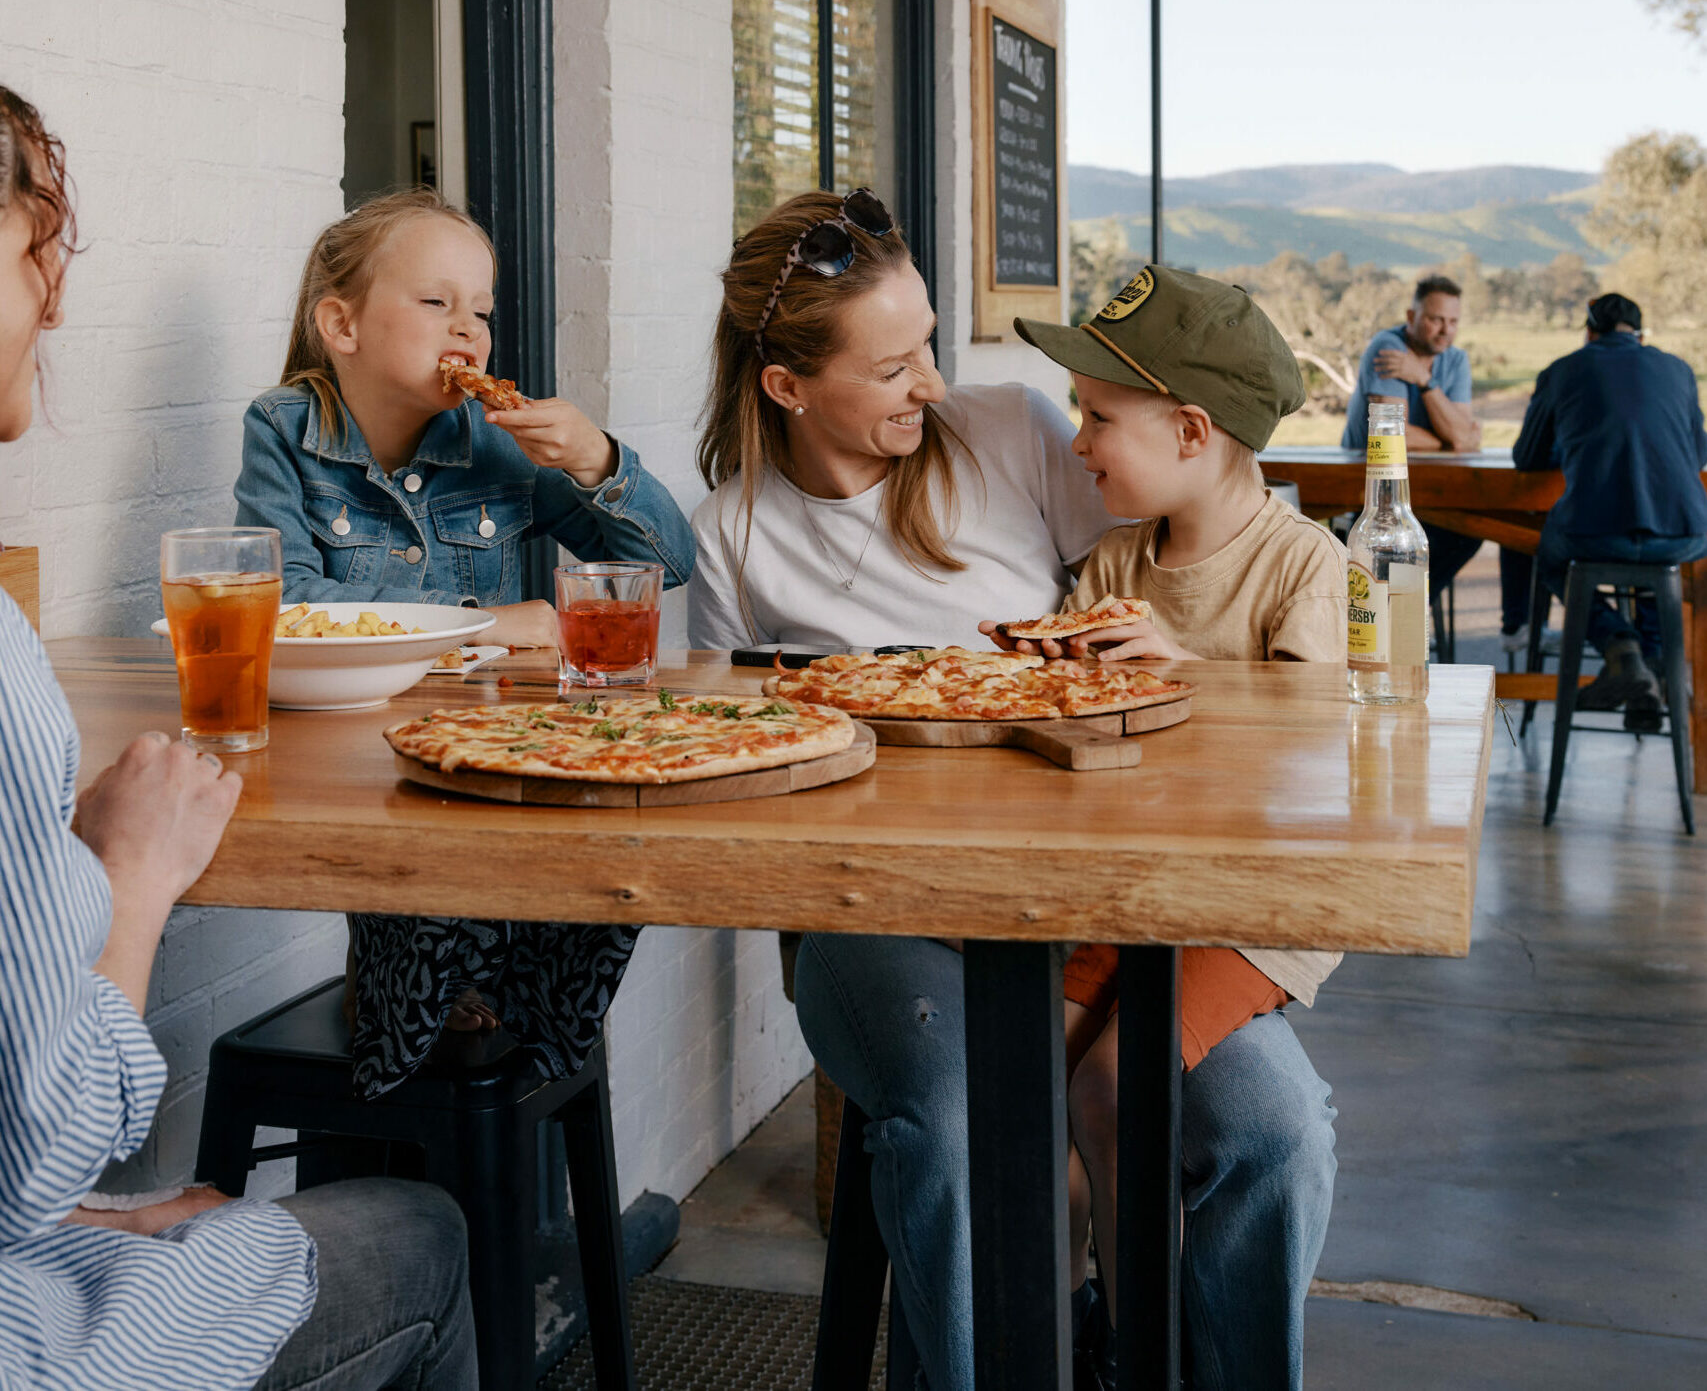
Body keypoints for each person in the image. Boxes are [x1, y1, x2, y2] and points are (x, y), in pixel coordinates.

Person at [688, 191, 1335, 1391]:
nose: (932, 381)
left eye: (929, 341)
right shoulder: (729, 534)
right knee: (963, 1124)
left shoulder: (1016, 431)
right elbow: (739, 771)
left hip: (1077, 894)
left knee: (1268, 1129)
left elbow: (1183, 565)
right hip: (872, 911)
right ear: (788, 387)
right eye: (893, 364)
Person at [0, 84, 476, 1391]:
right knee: (423, 1227)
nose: (56, 294)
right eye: (38, 242)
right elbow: (44, 1140)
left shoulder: (487, 440)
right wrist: (136, 880)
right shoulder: (286, 436)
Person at [234, 189, 697, 1096]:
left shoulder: (498, 441)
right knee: (419, 854)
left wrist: (597, 460)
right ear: (342, 323)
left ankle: (527, 1052)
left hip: (498, 748)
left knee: (607, 869)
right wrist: (485, 623)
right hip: (357, 759)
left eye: (481, 310)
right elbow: (281, 602)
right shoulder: (285, 430)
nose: (471, 330)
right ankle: (417, 1032)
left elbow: (662, 563)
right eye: (436, 302)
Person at [995, 267, 1342, 1389]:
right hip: (1131, 892)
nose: (1079, 440)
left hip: (1249, 904)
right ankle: (1076, 1328)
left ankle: (1158, 1349)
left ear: (1192, 431)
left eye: (1099, 418)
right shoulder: (1110, 566)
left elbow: (1320, 750)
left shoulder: (1303, 566)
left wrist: (1190, 675)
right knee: (1024, 1093)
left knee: (1107, 1087)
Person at [1513, 292, 1707, 730]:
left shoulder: (1562, 370)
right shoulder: (1678, 370)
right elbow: (1696, 456)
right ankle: (1652, 674)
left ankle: (1622, 651)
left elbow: (1527, 458)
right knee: (1662, 564)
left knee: (1550, 560)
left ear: (1589, 332)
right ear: (1641, 336)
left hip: (1594, 530)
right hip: (1688, 531)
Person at [1341, 274, 1527, 644]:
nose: (1446, 331)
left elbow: (1460, 438)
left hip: (1428, 487)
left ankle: (1405, 609)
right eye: (1436, 319)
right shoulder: (1388, 347)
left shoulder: (1454, 359)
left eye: (1453, 321)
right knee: (1393, 539)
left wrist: (1423, 381)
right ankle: (1392, 616)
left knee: (1469, 532)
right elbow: (1392, 433)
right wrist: (1452, 437)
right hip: (1371, 484)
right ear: (1411, 315)